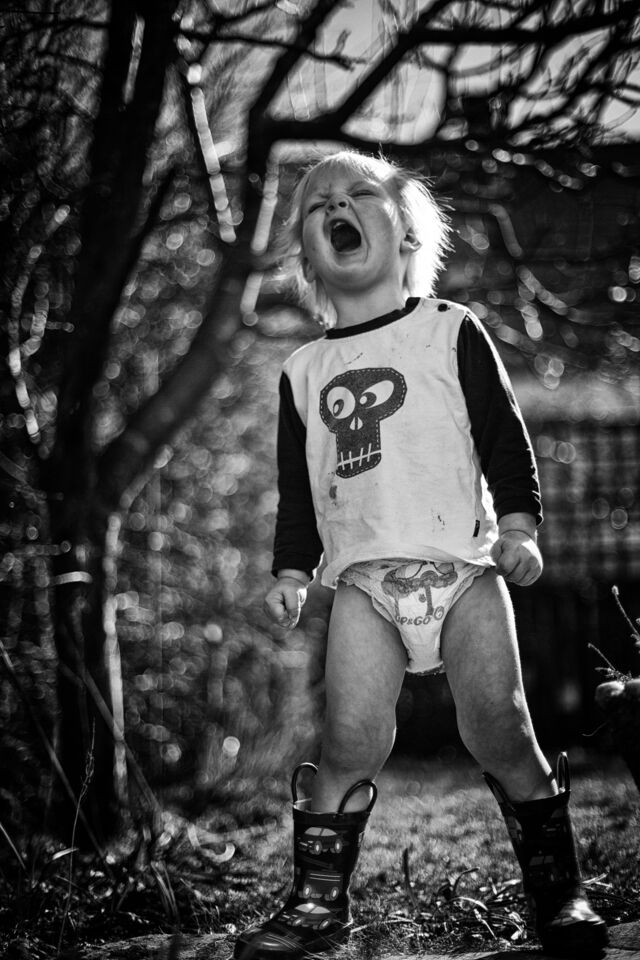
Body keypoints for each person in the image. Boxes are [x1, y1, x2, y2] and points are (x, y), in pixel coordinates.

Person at [234, 150, 607, 959]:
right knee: (348, 741)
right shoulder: (304, 371)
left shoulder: (450, 329)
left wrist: (518, 528)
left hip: (465, 571)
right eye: (318, 204)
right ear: (309, 258)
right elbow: (299, 492)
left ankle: (560, 894)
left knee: (502, 728)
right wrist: (291, 573)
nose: (337, 205)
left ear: (406, 234)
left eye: (359, 194)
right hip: (364, 587)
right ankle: (315, 904)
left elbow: (504, 438)